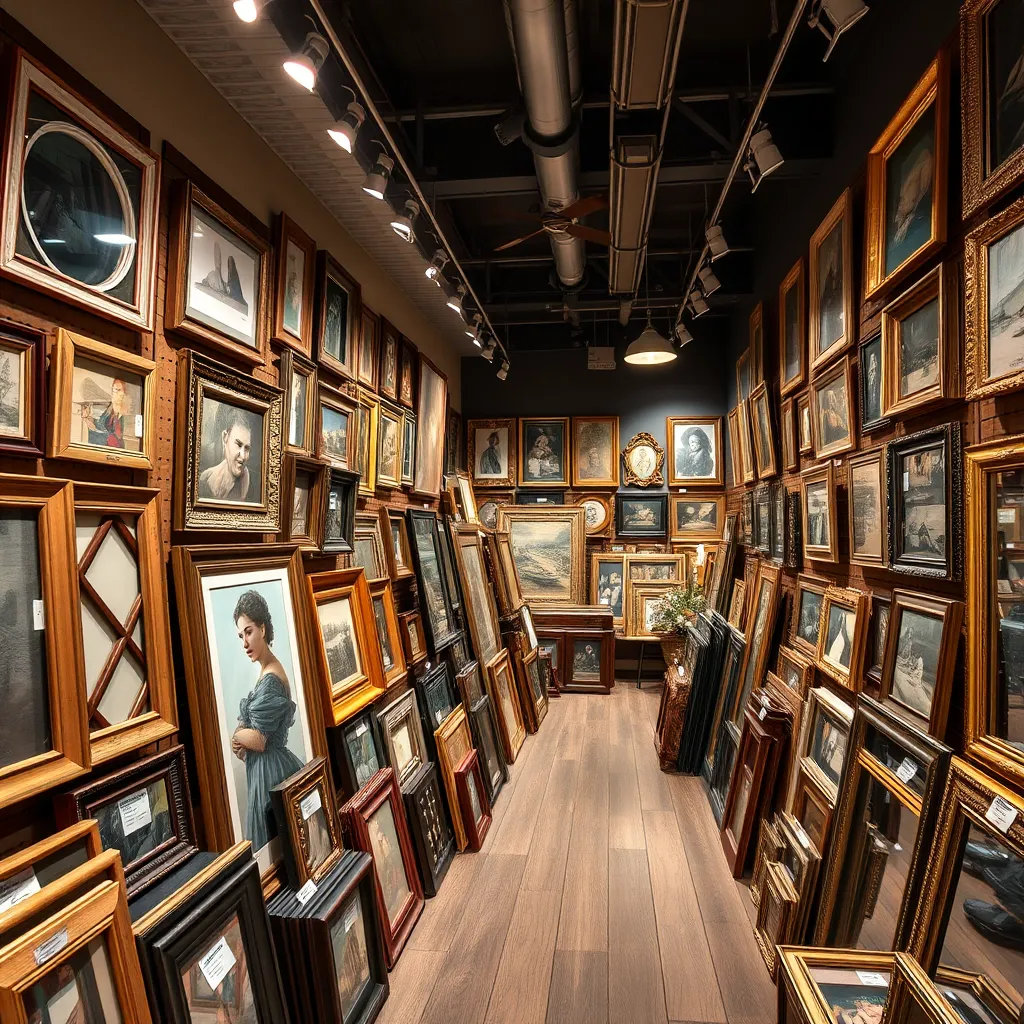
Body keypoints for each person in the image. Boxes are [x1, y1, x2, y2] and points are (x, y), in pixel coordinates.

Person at [229, 589, 305, 853]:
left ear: (262, 628)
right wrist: (242, 736)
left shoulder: (271, 678)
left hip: (270, 771)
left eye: (248, 632)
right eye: (241, 635)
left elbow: (259, 740)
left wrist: (237, 737)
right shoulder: (265, 670)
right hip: (264, 768)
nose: (245, 642)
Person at [199, 408, 253, 501]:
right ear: (225, 437)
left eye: (247, 448)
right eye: (238, 444)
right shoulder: (205, 480)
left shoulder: (252, 485)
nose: (243, 456)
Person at [82, 378, 129, 449]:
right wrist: (88, 418)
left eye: (118, 390)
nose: (115, 393)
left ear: (124, 393)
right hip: (107, 444)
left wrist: (93, 428)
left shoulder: (123, 410)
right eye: (114, 390)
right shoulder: (111, 407)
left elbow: (115, 435)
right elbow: (101, 423)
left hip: (115, 448)